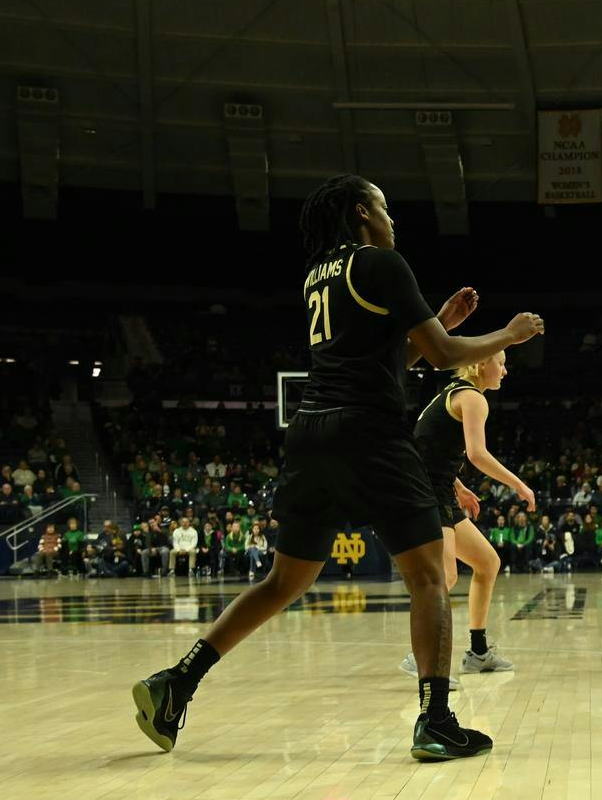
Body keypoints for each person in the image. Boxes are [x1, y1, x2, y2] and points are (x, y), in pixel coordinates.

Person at [133, 174, 542, 762]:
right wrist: (510, 333)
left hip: (310, 433)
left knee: (283, 581)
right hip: (369, 433)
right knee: (428, 576)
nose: (393, 221)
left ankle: (177, 680)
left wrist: (440, 324)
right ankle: (436, 719)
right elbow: (443, 359)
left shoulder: (317, 275)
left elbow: (385, 359)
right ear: (362, 214)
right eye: (385, 208)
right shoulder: (382, 262)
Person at [401, 348, 534, 676]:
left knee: (488, 563)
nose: (504, 371)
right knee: (443, 576)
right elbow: (477, 454)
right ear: (482, 363)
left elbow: (427, 446)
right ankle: (421, 656)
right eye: (501, 364)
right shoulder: (474, 398)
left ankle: (478, 652)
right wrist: (518, 484)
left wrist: (459, 488)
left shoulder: (452, 394)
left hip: (439, 489)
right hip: (424, 491)